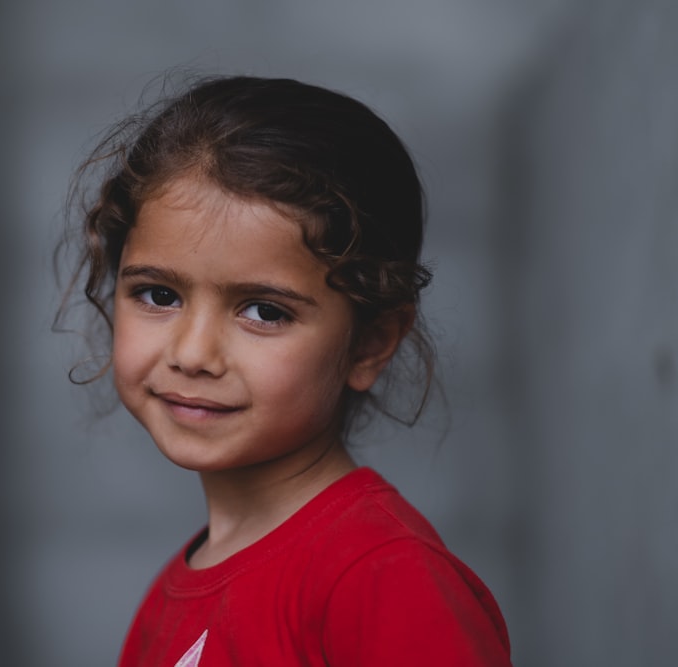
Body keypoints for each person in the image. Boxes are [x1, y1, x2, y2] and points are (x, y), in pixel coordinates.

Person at [58, 75, 512, 666]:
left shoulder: (383, 579)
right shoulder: (172, 595)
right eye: (159, 295)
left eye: (264, 311)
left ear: (370, 344)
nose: (193, 353)